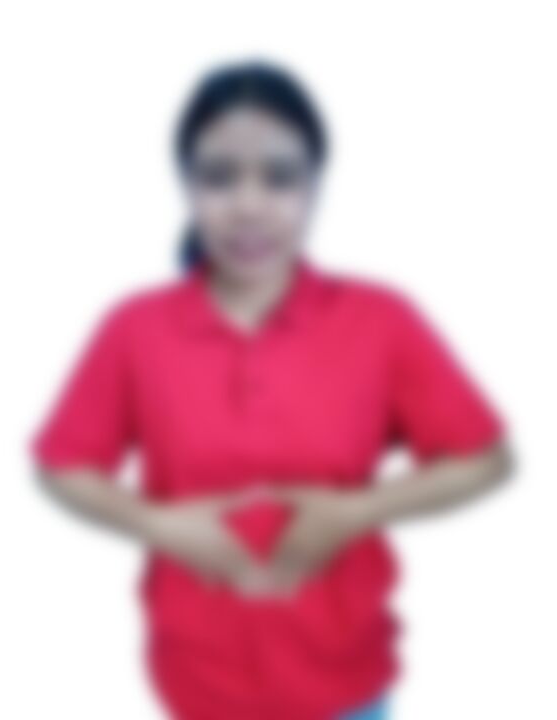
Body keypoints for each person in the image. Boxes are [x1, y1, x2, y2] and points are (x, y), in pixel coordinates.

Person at [29, 59, 514, 720]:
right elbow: (62, 464)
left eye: (280, 177)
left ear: (316, 187)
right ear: (186, 186)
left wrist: (355, 513)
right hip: (197, 682)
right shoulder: (135, 329)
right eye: (219, 177)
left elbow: (486, 459)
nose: (249, 205)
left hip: (348, 682)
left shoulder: (380, 321)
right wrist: (159, 526)